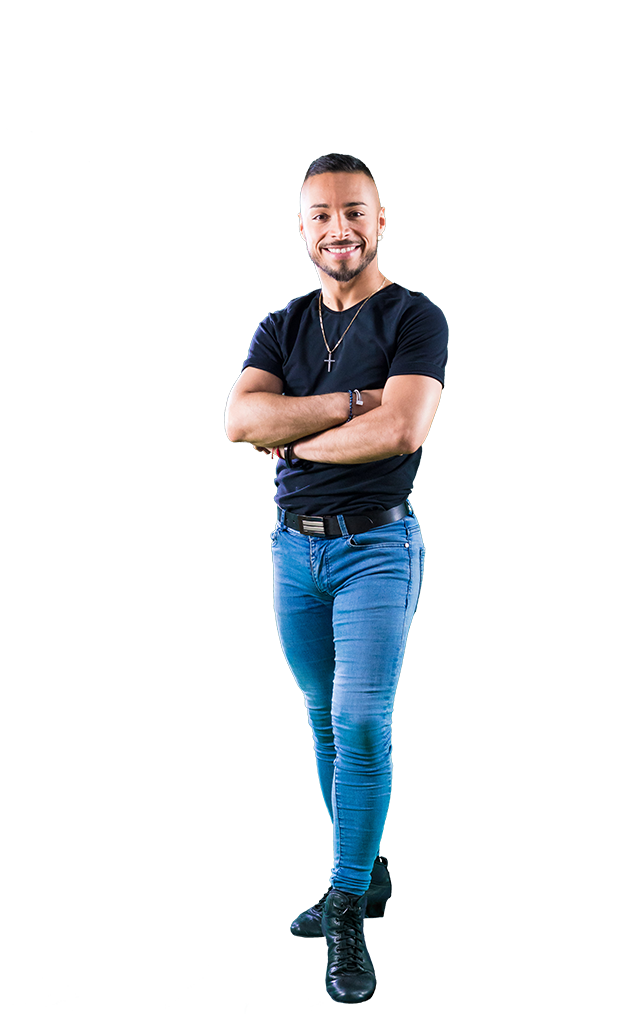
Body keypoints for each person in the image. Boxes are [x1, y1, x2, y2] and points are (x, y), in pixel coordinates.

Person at [224, 153, 448, 1004]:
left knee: (359, 721)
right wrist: (352, 404)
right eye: (321, 214)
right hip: (294, 552)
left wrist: (295, 438)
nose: (338, 228)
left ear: (381, 222)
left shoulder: (414, 318)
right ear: (303, 230)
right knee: (322, 720)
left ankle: (346, 904)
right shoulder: (282, 326)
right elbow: (240, 418)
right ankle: (367, 867)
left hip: (376, 550)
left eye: (354, 211)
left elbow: (403, 429)